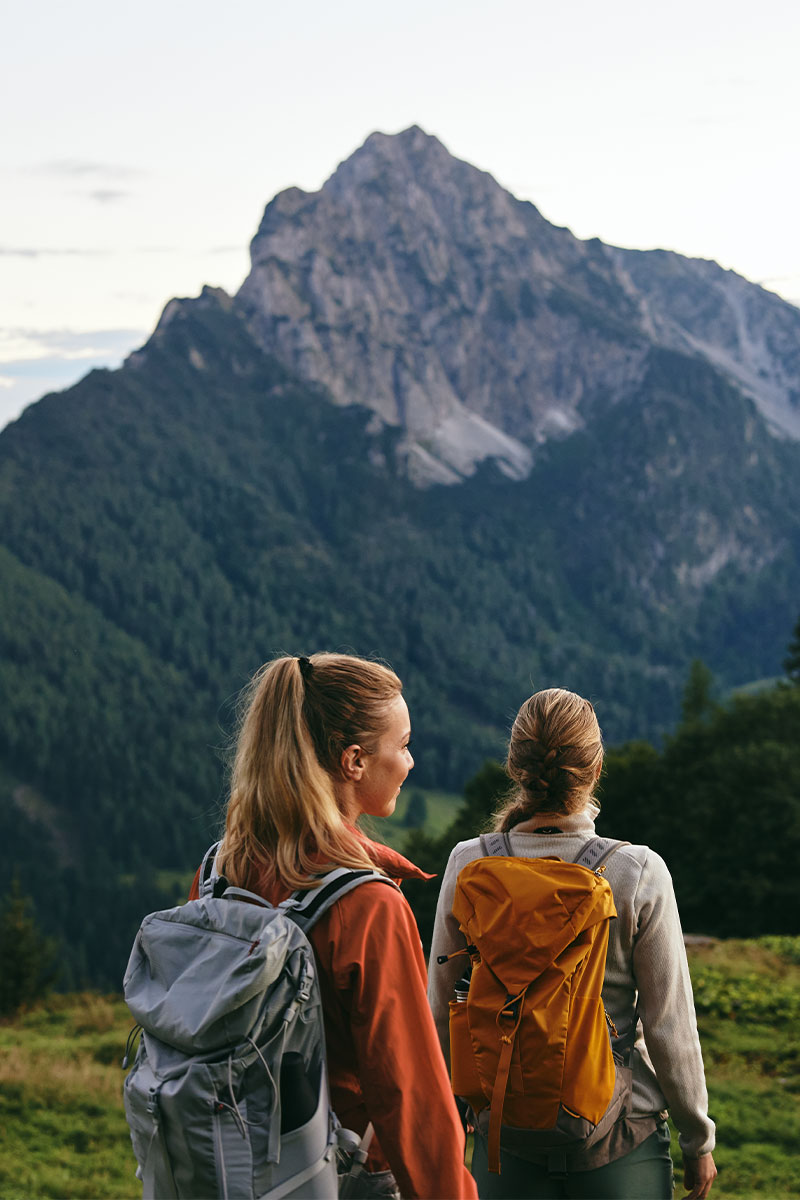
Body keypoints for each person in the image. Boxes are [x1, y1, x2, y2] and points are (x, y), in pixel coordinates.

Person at [189, 652, 477, 1200]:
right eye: (404, 745)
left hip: (230, 1164)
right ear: (354, 761)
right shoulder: (367, 904)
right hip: (337, 1173)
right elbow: (408, 1092)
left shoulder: (219, 870)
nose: (411, 762)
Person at [428, 687, 717, 1200]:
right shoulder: (637, 872)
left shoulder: (468, 864)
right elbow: (669, 1026)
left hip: (503, 1139)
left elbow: (439, 1009)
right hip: (621, 1144)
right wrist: (698, 1140)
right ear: (596, 767)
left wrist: (451, 1118)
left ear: (514, 765)